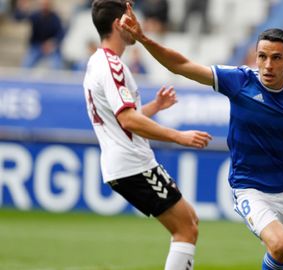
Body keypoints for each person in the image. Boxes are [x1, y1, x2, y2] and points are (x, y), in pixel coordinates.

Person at [120, 3, 283, 269]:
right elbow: (181, 65)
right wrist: (143, 38)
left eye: (276, 58)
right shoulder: (240, 80)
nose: (267, 65)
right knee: (279, 245)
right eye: (262, 56)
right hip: (251, 188)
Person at [83, 1, 212, 269]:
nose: (137, 26)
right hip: (132, 163)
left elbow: (120, 117)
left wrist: (154, 107)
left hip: (125, 162)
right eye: (132, 20)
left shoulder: (98, 62)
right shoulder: (112, 67)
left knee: (190, 221)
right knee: (186, 229)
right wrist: (179, 136)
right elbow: (128, 120)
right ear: (121, 24)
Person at [14, 0, 64, 69]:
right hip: (36, 46)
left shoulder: (55, 18)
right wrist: (22, 9)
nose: (44, 6)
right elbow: (18, 18)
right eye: (43, 4)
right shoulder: (35, 16)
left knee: (57, 65)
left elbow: (60, 33)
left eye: (46, 4)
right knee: (26, 66)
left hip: (50, 47)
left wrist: (52, 42)